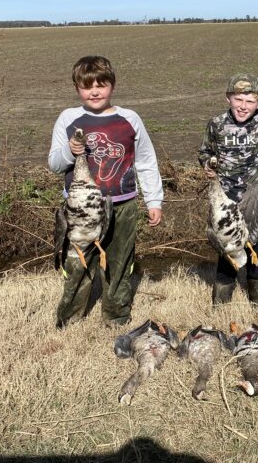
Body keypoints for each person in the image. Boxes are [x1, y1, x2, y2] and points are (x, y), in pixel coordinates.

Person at [49, 56, 163, 328]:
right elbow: (54, 164)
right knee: (77, 264)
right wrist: (69, 151)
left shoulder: (130, 119)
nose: (95, 91)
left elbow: (146, 162)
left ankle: (116, 317)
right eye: (87, 86)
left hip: (123, 204)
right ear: (77, 88)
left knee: (119, 263)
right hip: (81, 208)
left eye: (102, 84)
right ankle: (69, 320)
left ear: (113, 85)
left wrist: (154, 200)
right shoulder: (68, 118)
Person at [199, 73, 258, 308]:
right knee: (227, 250)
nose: (243, 106)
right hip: (226, 202)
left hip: (255, 201)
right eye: (238, 99)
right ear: (228, 98)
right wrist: (208, 163)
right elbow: (204, 152)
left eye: (250, 101)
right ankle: (221, 303)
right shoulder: (217, 124)